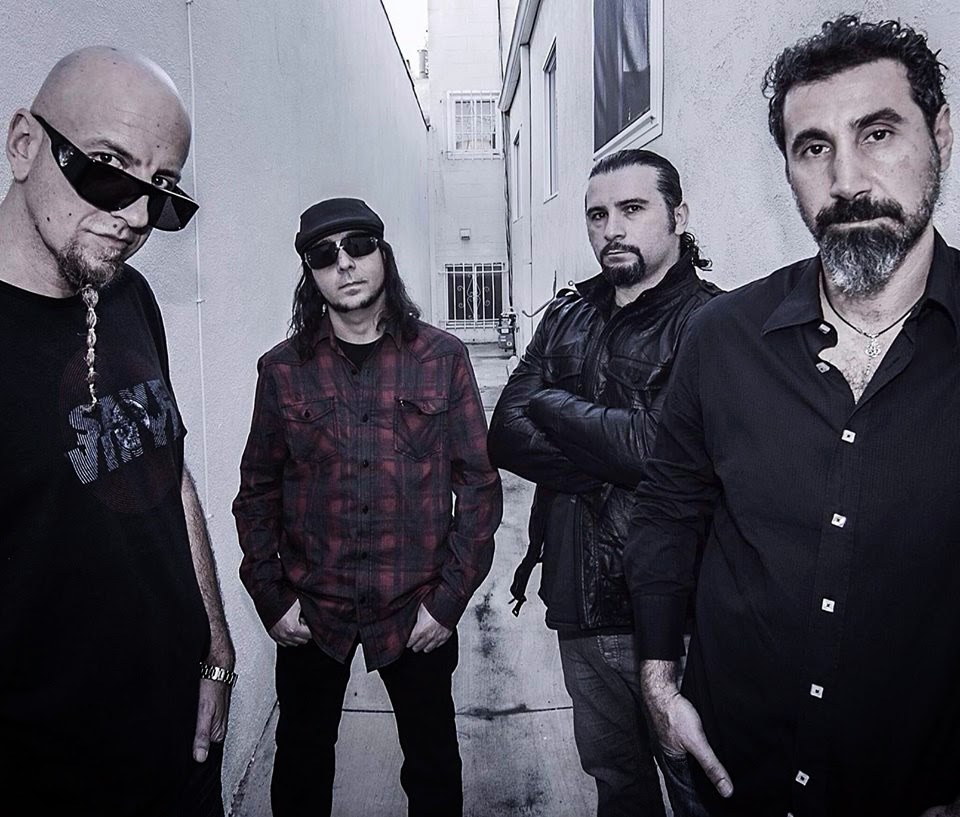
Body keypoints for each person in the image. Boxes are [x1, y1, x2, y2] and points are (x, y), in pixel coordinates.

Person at [627, 15, 960, 817]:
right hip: (730, 777)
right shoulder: (721, 337)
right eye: (813, 147)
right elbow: (667, 513)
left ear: (941, 136)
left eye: (877, 133)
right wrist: (658, 684)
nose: (846, 179)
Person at [0, 47, 234, 816]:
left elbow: (168, 471)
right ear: (24, 144)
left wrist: (215, 646)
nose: (136, 218)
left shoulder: (127, 296)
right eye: (107, 168)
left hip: (182, 748)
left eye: (161, 191)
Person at [233, 197, 502, 817]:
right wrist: (271, 597)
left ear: (384, 254)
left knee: (433, 767)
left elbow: (479, 485)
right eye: (324, 256)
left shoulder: (442, 359)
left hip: (415, 606)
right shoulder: (282, 370)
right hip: (313, 607)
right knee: (300, 767)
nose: (345, 264)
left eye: (358, 246)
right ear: (311, 274)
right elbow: (257, 490)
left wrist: (448, 601)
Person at [488, 149, 719, 817]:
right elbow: (505, 433)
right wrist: (617, 460)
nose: (611, 228)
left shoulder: (712, 322)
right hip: (578, 602)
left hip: (676, 618)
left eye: (632, 209)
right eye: (597, 214)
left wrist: (552, 405)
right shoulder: (569, 313)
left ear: (678, 216)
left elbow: (659, 450)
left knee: (700, 791)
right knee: (618, 787)